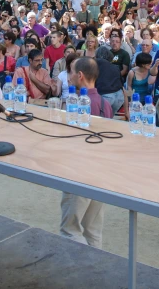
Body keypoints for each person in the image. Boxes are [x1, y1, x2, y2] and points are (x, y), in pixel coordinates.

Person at [60, 57, 113, 247]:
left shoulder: (78, 105)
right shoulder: (104, 103)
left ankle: (79, 270)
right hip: (100, 172)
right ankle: (96, 271)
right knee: (93, 230)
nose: (70, 76)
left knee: (70, 228)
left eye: (72, 71)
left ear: (80, 76)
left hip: (80, 171)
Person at [94, 45, 127, 115]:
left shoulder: (94, 64)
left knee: (99, 120)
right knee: (108, 119)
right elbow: (122, 89)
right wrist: (127, 112)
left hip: (105, 96)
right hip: (119, 97)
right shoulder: (115, 67)